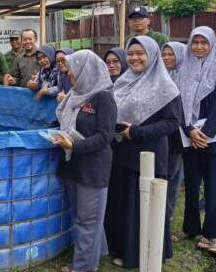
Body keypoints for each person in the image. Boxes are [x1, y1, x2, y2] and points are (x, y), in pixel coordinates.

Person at [106, 35, 181, 268]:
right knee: (123, 203)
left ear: (152, 55)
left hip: (148, 154)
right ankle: (120, 247)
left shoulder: (165, 85)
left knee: (142, 205)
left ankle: (140, 254)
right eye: (131, 53)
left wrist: (137, 132)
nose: (134, 58)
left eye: (140, 53)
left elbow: (172, 122)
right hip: (122, 152)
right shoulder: (123, 81)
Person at [52, 49, 115, 272]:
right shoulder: (74, 96)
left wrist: (74, 145)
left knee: (89, 220)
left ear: (86, 70)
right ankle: (98, 252)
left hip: (92, 167)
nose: (69, 75)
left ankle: (83, 267)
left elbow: (105, 136)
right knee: (84, 216)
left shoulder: (103, 97)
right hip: (73, 164)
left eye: (72, 71)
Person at [177, 26, 216, 249]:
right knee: (191, 184)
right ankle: (190, 228)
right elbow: (178, 104)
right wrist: (189, 130)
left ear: (211, 44)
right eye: (195, 42)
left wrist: (204, 135)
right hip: (190, 134)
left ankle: (212, 232)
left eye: (203, 43)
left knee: (214, 186)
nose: (198, 47)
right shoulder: (184, 68)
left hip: (215, 136)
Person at [160, 42, 187, 227]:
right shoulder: (159, 76)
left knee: (173, 172)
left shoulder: (186, 78)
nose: (167, 58)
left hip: (178, 132)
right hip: (160, 130)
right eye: (164, 54)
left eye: (171, 55)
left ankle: (167, 212)